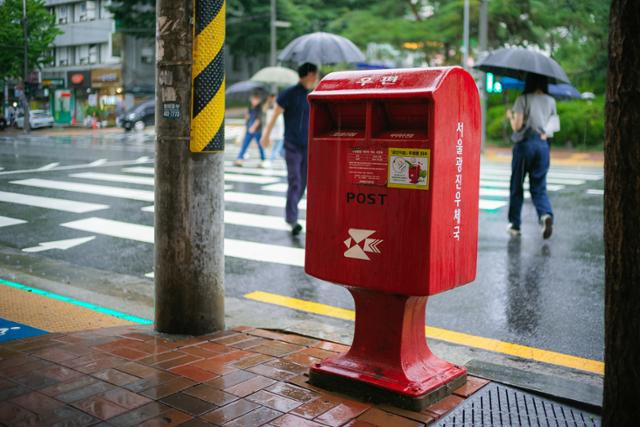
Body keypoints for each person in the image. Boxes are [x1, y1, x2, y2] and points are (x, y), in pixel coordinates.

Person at [261, 63, 319, 236]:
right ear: (309, 74)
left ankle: (292, 212)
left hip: (308, 145)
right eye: (315, 74)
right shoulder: (290, 93)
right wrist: (266, 135)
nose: (316, 77)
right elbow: (275, 113)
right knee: (295, 180)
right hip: (292, 144)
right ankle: (292, 218)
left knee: (304, 182)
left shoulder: (313, 95)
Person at [506, 73, 557, 239]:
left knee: (517, 185)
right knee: (539, 187)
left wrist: (511, 116)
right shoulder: (551, 101)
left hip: (525, 146)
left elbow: (517, 126)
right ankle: (545, 215)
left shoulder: (523, 99)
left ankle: (515, 225)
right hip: (542, 147)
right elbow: (553, 126)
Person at [234, 93, 266, 167]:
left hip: (256, 131)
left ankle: (263, 159)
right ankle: (239, 159)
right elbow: (247, 118)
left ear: (259, 100)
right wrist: (247, 116)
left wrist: (253, 127)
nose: (254, 101)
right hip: (249, 130)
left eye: (256, 99)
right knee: (244, 145)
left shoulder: (259, 109)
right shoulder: (250, 108)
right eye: (253, 99)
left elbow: (259, 119)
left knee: (260, 145)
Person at [265, 93, 285, 165]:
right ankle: (272, 159)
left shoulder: (279, 105)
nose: (273, 99)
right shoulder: (269, 107)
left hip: (280, 130)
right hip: (275, 131)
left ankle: (271, 160)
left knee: (279, 148)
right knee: (279, 148)